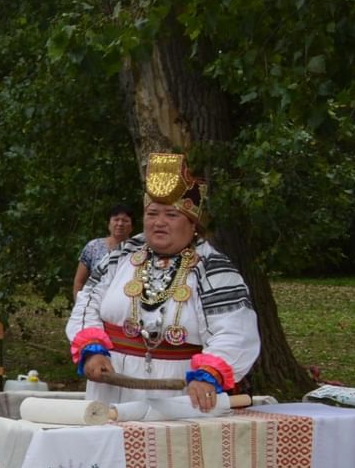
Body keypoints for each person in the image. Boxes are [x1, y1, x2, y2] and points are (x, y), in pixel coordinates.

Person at [66, 153, 258, 420]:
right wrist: (92, 350)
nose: (159, 222)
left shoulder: (213, 269)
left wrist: (208, 375)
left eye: (171, 214)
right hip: (111, 386)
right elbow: (87, 303)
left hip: (180, 395)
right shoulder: (120, 258)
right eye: (152, 213)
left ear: (193, 223)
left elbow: (236, 331)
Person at [74, 203, 138, 297]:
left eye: (125, 221)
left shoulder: (138, 251)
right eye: (116, 219)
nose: (120, 224)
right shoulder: (93, 247)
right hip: (93, 304)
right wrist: (79, 307)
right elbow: (79, 282)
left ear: (132, 227)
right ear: (108, 223)